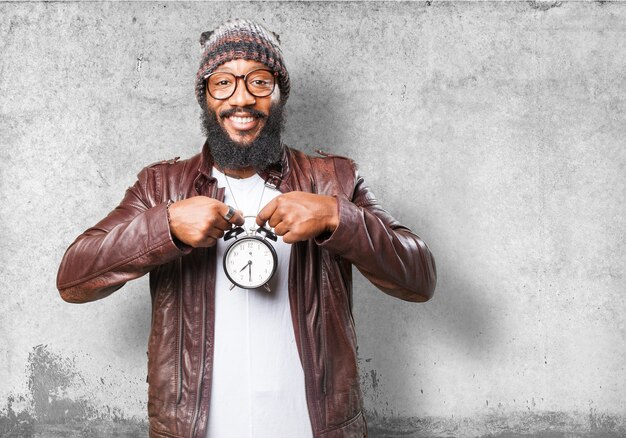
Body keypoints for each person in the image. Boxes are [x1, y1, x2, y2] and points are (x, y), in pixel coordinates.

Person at [57, 19, 436, 438]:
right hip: (195, 429)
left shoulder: (336, 180)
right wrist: (163, 226)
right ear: (205, 96)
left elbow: (419, 278)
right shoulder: (159, 186)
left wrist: (336, 216)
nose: (241, 99)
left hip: (315, 429)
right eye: (223, 82)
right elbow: (74, 279)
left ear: (278, 94)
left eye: (258, 81)